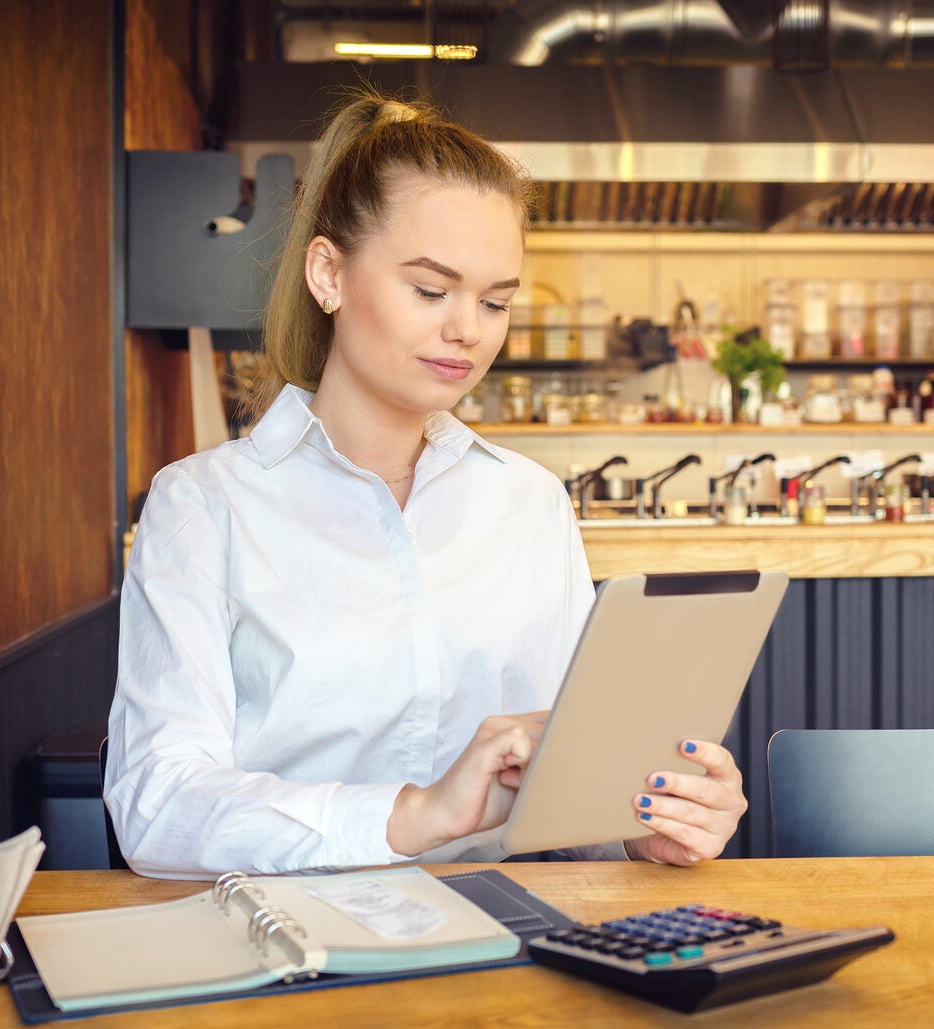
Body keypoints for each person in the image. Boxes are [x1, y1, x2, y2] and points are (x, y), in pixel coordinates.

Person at [105, 91, 747, 879]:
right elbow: (157, 805)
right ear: (328, 273)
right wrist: (416, 814)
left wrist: (638, 821)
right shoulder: (202, 506)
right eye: (430, 290)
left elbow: (566, 780)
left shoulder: (528, 503)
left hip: (508, 949)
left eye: (495, 300)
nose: (468, 330)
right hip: (291, 947)